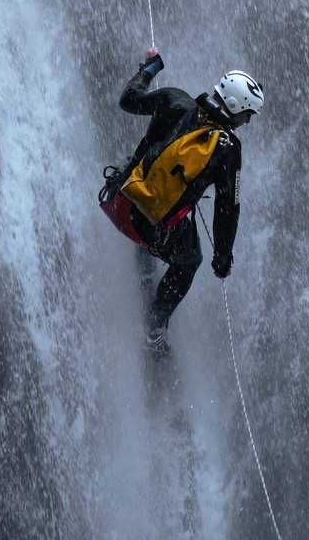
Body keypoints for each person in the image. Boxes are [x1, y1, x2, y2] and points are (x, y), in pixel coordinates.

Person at [107, 46, 264, 353]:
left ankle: (144, 266)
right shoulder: (227, 148)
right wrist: (222, 257)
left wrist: (151, 68)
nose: (248, 121)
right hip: (153, 230)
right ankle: (154, 328)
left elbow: (128, 99)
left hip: (121, 201)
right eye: (247, 114)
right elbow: (227, 208)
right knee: (189, 259)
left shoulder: (173, 99)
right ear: (234, 106)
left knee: (142, 179)